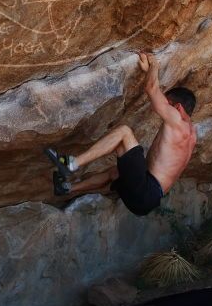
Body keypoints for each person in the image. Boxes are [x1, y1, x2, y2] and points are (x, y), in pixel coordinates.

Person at [45, 52, 196, 216]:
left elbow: (152, 88)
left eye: (168, 104)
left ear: (178, 107)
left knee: (124, 133)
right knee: (115, 172)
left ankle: (71, 164)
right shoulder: (192, 134)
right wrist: (147, 73)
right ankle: (66, 188)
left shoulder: (177, 119)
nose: (163, 107)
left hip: (146, 190)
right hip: (147, 201)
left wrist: (154, 66)